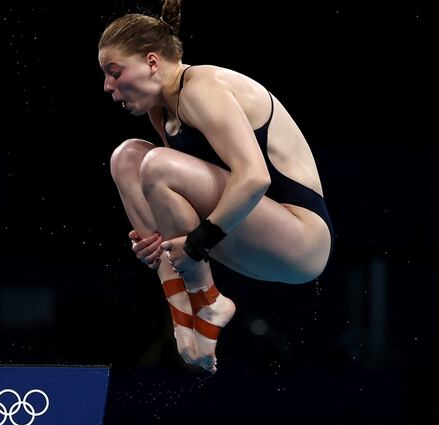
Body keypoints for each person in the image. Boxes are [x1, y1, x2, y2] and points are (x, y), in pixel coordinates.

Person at [99, 0, 334, 374]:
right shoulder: (161, 108)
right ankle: (181, 311)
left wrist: (197, 242)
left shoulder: (201, 86)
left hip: (301, 240)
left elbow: (255, 177)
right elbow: (171, 198)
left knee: (157, 165)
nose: (108, 86)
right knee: (126, 158)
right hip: (246, 233)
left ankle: (209, 301)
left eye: (114, 72)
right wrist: (156, 239)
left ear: (152, 62)